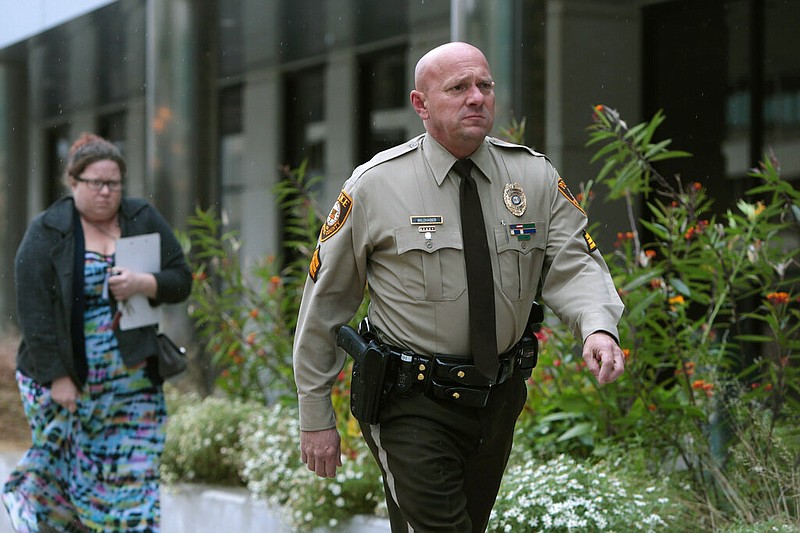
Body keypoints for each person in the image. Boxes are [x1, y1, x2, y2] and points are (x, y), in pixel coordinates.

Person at [293, 42, 625, 532]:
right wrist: (315, 413)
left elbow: (573, 264)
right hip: (410, 401)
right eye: (459, 88)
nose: (476, 98)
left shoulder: (532, 177)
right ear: (420, 105)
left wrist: (597, 327)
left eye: (484, 86)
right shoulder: (375, 186)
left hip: (498, 399)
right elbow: (325, 306)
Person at [2, 133, 193, 532]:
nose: (107, 192)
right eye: (96, 183)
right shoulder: (48, 230)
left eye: (114, 184)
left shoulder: (141, 216)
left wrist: (145, 282)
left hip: (133, 381)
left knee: (135, 479)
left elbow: (181, 279)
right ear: (73, 183)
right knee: (74, 481)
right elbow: (33, 313)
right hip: (68, 380)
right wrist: (58, 376)